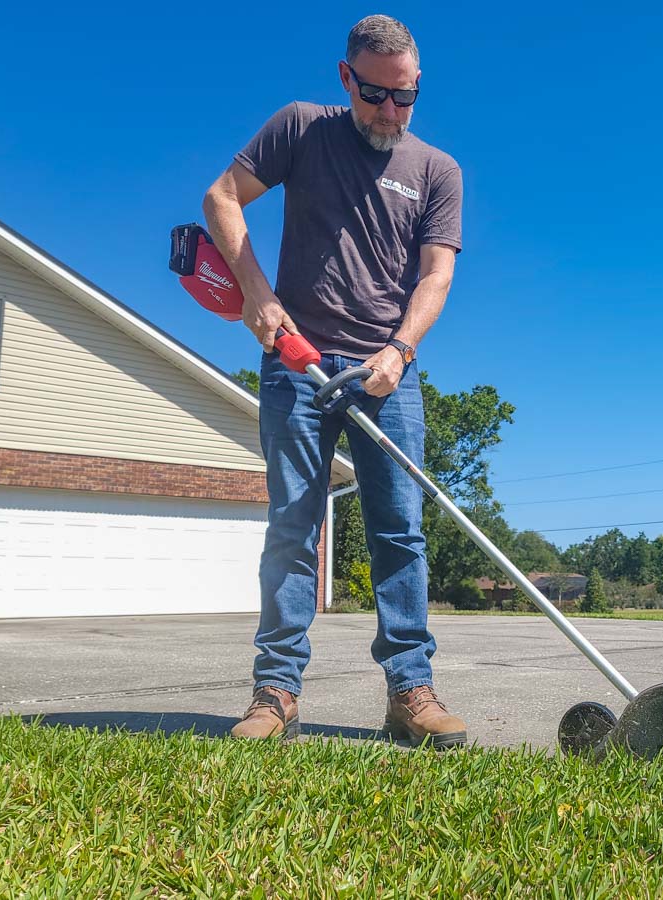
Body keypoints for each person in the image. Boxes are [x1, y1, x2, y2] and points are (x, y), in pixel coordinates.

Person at [202, 14, 466, 748]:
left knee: (400, 534)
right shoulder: (301, 129)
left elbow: (438, 275)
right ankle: (276, 693)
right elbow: (221, 197)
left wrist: (400, 351)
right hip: (297, 364)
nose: (391, 112)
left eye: (406, 98)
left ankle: (411, 691)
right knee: (293, 526)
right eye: (377, 95)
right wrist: (257, 295)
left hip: (388, 374)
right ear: (347, 78)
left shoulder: (437, 170)